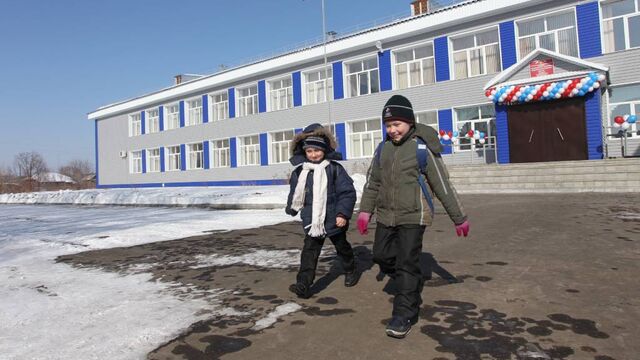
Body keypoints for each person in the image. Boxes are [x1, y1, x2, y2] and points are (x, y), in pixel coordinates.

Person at [357, 95, 470, 338]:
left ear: (409, 122)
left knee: (406, 263)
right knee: (381, 255)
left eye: (397, 124)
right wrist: (365, 211)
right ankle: (410, 281)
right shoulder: (382, 149)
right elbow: (373, 182)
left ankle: (404, 313)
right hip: (387, 215)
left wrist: (458, 217)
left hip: (414, 216)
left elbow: (442, 185)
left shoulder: (422, 148)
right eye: (388, 125)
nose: (393, 130)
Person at [286, 123, 360, 299]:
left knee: (342, 247)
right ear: (304, 152)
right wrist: (292, 206)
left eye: (317, 150)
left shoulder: (334, 169)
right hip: (313, 220)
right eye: (309, 151)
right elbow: (295, 191)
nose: (313, 154)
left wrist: (343, 214)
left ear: (325, 150)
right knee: (309, 252)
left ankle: (351, 269)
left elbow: (347, 192)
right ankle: (303, 284)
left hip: (334, 217)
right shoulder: (301, 172)